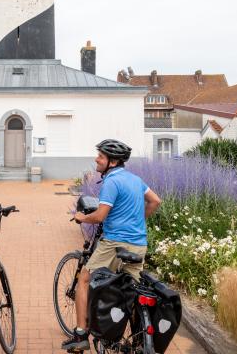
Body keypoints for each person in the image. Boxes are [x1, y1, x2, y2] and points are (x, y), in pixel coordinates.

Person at [62, 139, 162, 352]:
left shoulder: (111, 182)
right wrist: (138, 222)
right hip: (138, 245)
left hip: (115, 244)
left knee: (84, 279)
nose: (96, 159)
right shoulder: (136, 180)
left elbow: (99, 216)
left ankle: (80, 334)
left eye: (100, 156)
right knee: (133, 288)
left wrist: (81, 217)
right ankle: (139, 339)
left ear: (113, 161)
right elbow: (155, 201)